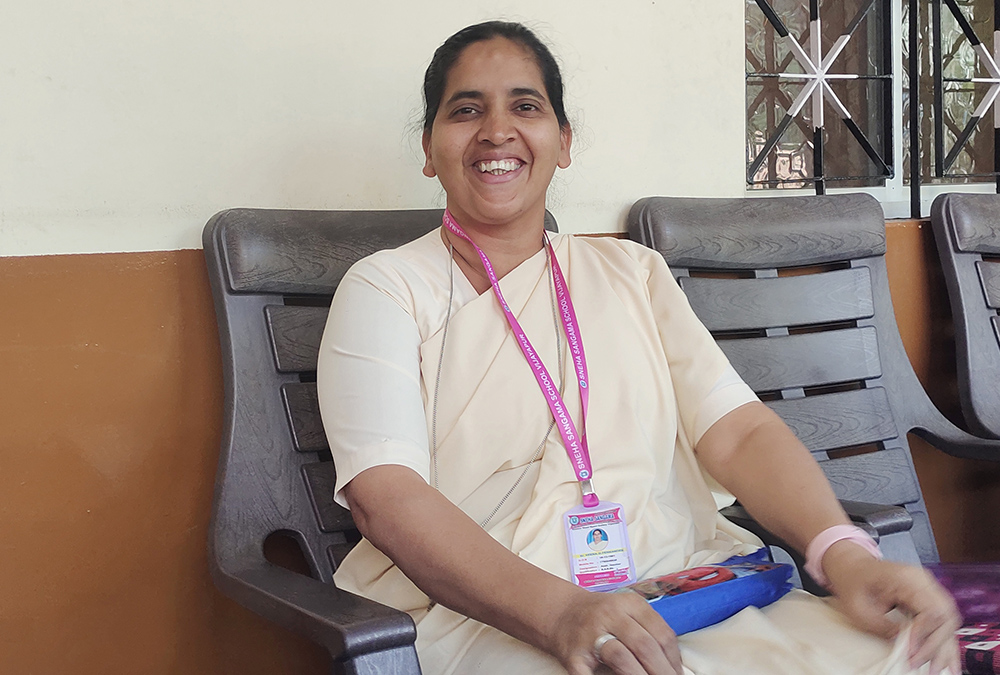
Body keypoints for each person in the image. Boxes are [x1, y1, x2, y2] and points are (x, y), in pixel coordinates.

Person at [317, 20, 961, 675]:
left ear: (563, 143)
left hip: (683, 589)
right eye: (465, 110)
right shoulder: (387, 288)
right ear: (430, 148)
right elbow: (386, 493)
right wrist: (561, 613)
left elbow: (735, 432)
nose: (496, 130)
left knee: (904, 654)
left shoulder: (632, 273)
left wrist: (844, 554)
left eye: (526, 106)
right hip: (496, 618)